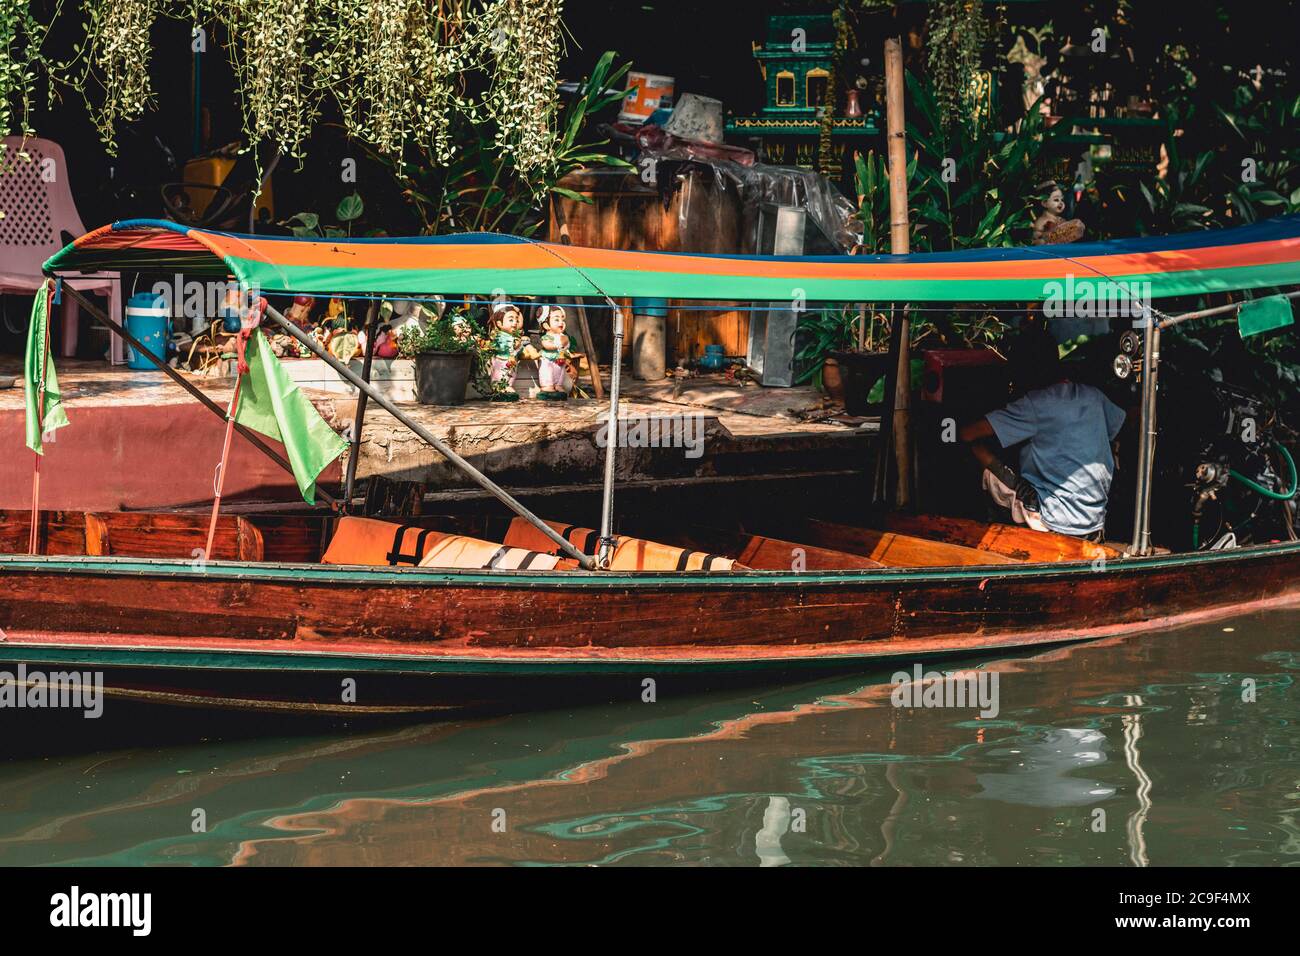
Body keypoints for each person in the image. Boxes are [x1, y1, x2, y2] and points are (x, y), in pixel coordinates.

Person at [958, 327, 1127, 540]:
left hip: (1055, 521)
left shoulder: (1035, 405)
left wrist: (946, 425)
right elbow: (1117, 429)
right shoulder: (1093, 396)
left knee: (984, 466)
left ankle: (996, 535)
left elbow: (967, 434)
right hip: (1094, 521)